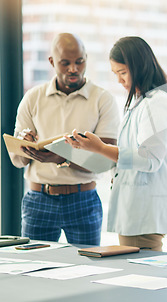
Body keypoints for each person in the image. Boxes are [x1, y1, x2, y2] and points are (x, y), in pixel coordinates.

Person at [65, 36, 167, 251]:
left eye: (123, 73)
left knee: (143, 277)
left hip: (145, 212)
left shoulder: (157, 103)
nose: (119, 80)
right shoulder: (142, 102)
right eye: (115, 74)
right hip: (138, 211)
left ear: (139, 67)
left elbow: (149, 159)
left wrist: (99, 147)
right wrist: (90, 149)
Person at [10, 33, 120, 245]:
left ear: (86, 58)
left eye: (79, 62)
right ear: (52, 62)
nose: (73, 69)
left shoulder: (102, 100)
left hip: (83, 200)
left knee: (86, 270)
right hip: (38, 199)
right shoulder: (33, 97)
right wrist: (25, 146)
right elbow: (17, 161)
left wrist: (58, 158)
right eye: (65, 63)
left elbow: (104, 161)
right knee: (35, 270)